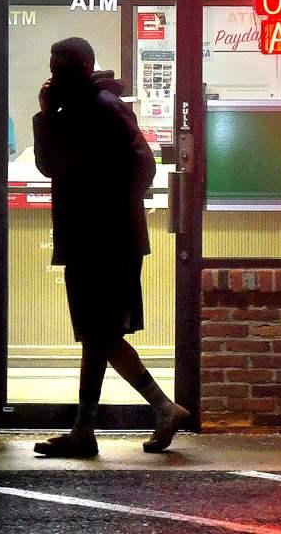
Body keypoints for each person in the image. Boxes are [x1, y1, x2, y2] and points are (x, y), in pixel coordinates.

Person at [30, 36, 189, 457]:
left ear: (83, 66)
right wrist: (47, 115)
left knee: (98, 332)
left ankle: (151, 410)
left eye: (62, 65)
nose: (54, 73)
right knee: (97, 334)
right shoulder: (76, 109)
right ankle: (104, 424)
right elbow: (50, 166)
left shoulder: (102, 106)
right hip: (93, 239)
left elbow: (144, 164)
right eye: (52, 64)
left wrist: (111, 209)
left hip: (105, 240)